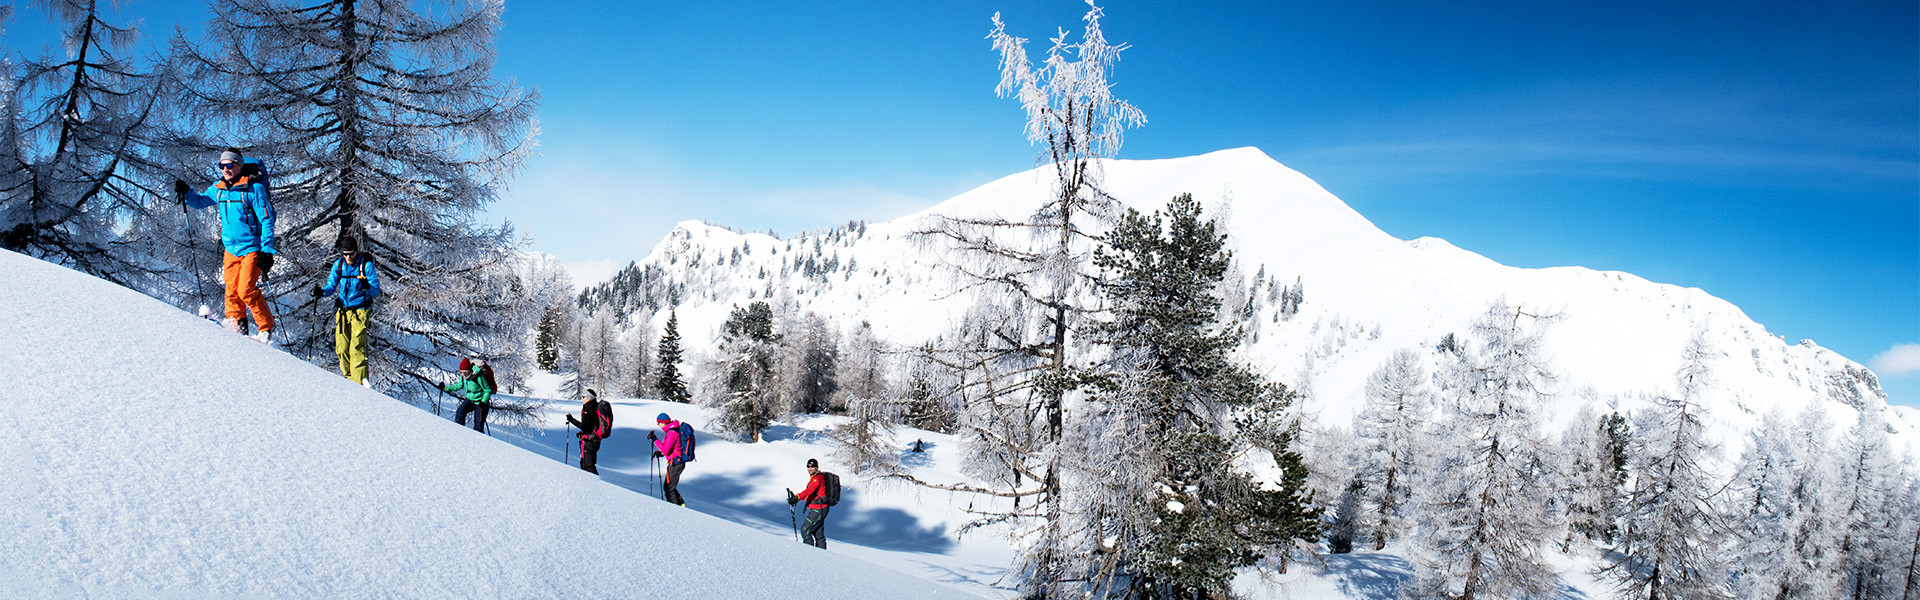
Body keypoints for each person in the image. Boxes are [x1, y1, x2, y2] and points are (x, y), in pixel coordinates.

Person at [177, 148, 276, 344]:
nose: (226, 169)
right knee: (231, 291)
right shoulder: (218, 188)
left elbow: (267, 219)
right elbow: (199, 202)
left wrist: (267, 250)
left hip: (252, 248)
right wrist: (186, 191)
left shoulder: (254, 189)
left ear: (239, 165)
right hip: (230, 249)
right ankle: (236, 327)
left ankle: (266, 328)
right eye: (222, 165)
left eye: (229, 165)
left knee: (246, 290)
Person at [314, 236, 380, 385]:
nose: (348, 257)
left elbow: (376, 292)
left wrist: (367, 286)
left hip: (361, 311)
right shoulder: (339, 265)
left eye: (351, 253)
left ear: (356, 251)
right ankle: (349, 380)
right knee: (341, 348)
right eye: (345, 253)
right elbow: (331, 286)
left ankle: (357, 383)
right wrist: (321, 292)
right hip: (343, 311)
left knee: (356, 347)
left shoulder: (366, 266)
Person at [787, 458, 833, 549]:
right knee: (818, 534)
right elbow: (812, 494)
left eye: (813, 466)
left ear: (817, 467)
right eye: (808, 466)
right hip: (819, 508)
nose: (810, 468)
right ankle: (821, 555)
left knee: (805, 530)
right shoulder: (814, 478)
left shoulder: (817, 479)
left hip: (819, 509)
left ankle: (809, 553)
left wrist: (797, 498)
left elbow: (809, 491)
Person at [650, 413, 691, 506]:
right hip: (675, 462)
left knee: (669, 489)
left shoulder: (671, 432)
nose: (658, 425)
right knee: (669, 487)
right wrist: (660, 453)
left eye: (658, 423)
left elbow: (666, 450)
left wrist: (655, 440)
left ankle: (676, 509)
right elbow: (672, 449)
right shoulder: (671, 430)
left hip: (676, 463)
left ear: (663, 423)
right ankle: (680, 504)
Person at [565, 388, 608, 474]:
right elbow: (591, 426)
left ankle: (596, 486)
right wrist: (583, 434)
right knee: (586, 465)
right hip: (594, 440)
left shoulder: (588, 410)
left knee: (588, 466)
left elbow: (586, 427)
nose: (582, 398)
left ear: (588, 398)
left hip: (591, 441)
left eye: (583, 397)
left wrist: (572, 420)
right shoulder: (593, 407)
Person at [444, 362, 492, 433]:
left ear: (469, 370)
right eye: (461, 372)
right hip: (470, 400)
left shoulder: (479, 376)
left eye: (465, 372)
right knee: (460, 412)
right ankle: (458, 432)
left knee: (478, 426)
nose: (463, 374)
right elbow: (459, 386)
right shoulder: (463, 377)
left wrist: (483, 401)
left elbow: (487, 390)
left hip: (481, 402)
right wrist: (445, 388)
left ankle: (477, 440)